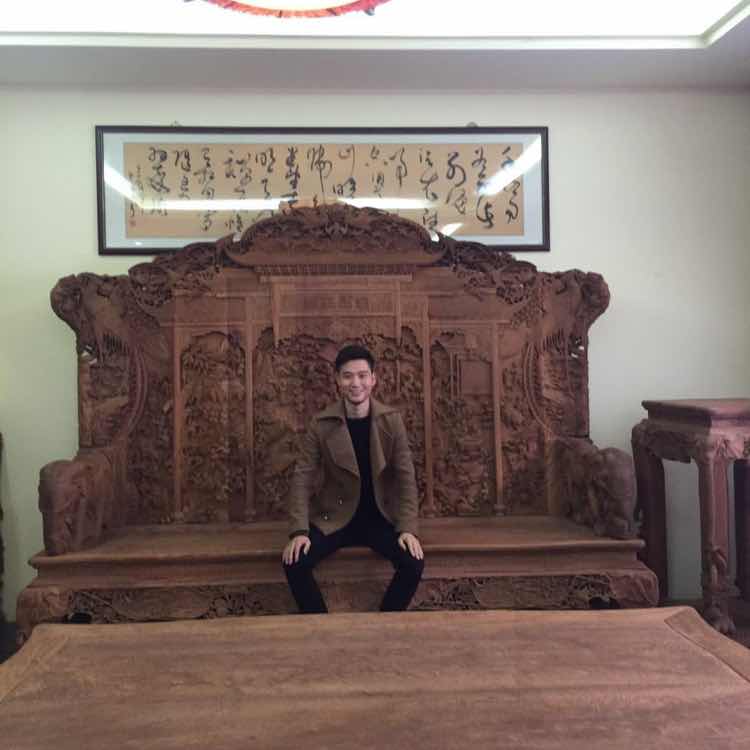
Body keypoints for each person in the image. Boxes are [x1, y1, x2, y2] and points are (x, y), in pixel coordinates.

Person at [282, 344, 424, 613]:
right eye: (347, 376)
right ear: (337, 380)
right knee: (294, 562)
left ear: (373, 379)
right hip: (335, 518)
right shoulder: (321, 424)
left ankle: (383, 624)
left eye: (362, 375)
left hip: (379, 518)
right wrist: (299, 531)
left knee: (413, 563)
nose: (355, 383)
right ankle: (321, 625)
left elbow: (406, 479)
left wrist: (407, 528)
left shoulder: (391, 421)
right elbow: (302, 478)